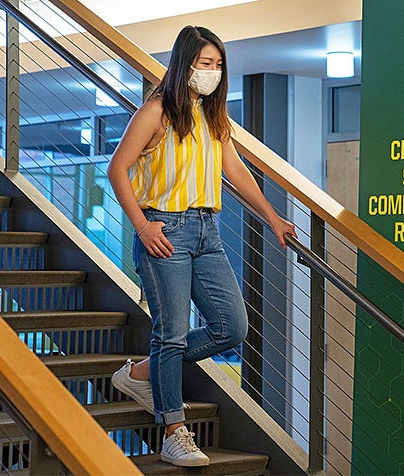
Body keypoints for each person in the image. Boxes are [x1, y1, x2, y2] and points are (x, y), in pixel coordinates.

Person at [107, 25, 295, 467]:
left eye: (216, 65)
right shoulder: (157, 111)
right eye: (202, 64)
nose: (211, 72)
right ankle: (174, 431)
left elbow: (237, 172)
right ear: (183, 63)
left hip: (207, 231)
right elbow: (118, 168)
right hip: (164, 230)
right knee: (169, 333)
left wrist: (272, 218)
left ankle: (141, 373)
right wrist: (143, 225)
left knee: (232, 327)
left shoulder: (214, 117)